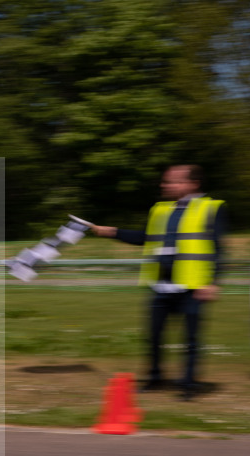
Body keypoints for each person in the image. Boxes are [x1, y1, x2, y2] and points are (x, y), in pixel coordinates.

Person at [90, 165, 227, 400]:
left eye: (172, 182)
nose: (164, 186)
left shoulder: (212, 208)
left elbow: (219, 248)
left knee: (191, 340)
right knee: (153, 337)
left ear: (192, 184)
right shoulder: (160, 209)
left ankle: (188, 386)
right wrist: (110, 232)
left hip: (193, 286)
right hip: (161, 286)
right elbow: (146, 237)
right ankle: (155, 378)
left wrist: (212, 282)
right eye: (165, 182)